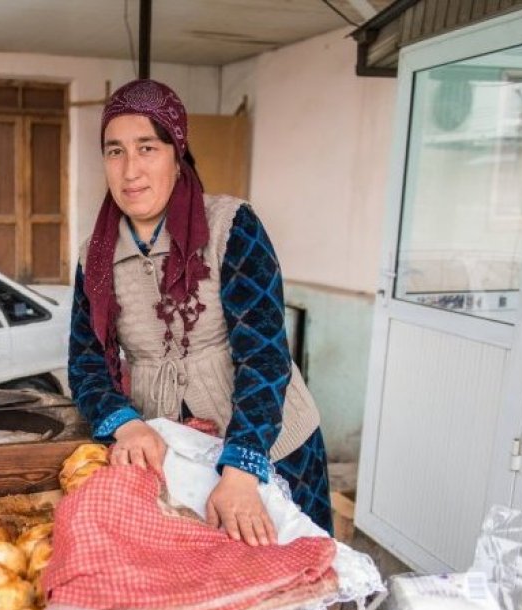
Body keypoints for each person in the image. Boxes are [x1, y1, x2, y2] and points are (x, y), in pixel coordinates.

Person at [68, 78, 332, 546]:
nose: (130, 170)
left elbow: (265, 357)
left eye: (147, 147)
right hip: (170, 454)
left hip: (272, 445)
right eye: (114, 151)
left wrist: (243, 469)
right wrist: (125, 424)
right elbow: (86, 363)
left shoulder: (232, 227)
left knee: (294, 577)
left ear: (177, 151)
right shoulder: (96, 256)